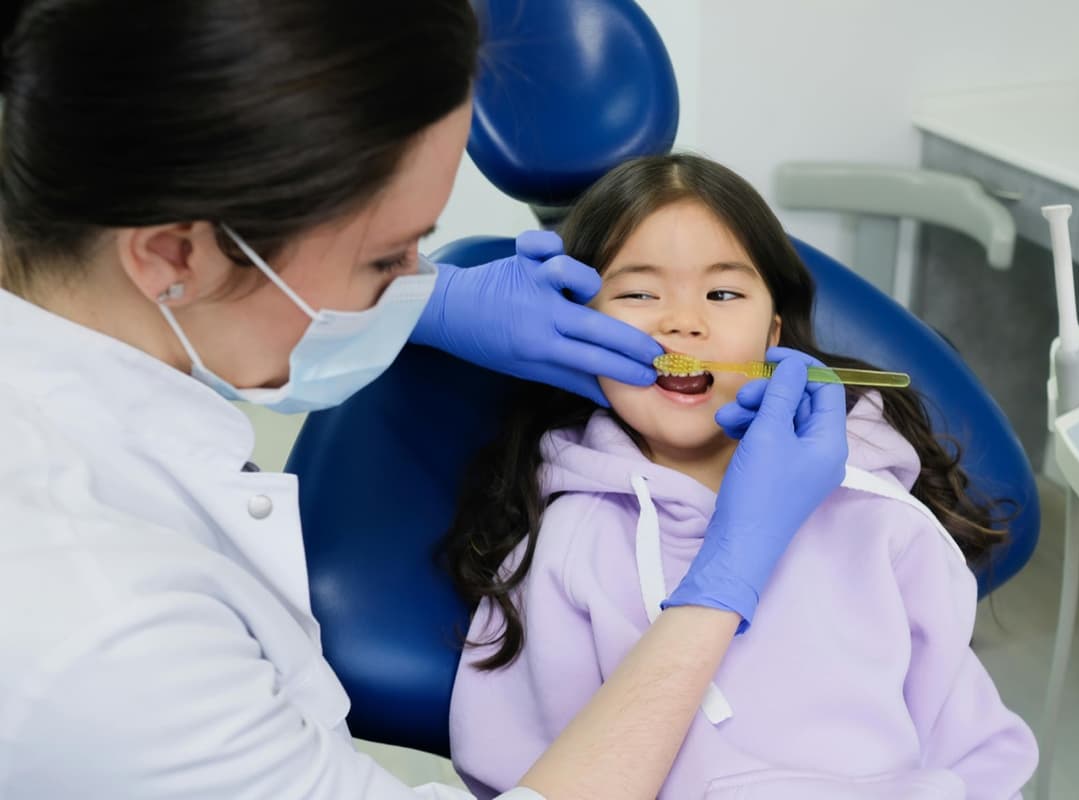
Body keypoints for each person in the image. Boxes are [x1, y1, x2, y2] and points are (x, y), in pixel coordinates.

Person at [0, 3, 853, 798]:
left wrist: (439, 301)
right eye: (388, 260)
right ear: (172, 257)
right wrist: (722, 582)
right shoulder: (103, 628)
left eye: (425, 255)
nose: (416, 285)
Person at [443, 154, 1040, 799]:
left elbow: (979, 755)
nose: (683, 323)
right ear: (577, 331)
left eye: (722, 293)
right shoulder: (564, 547)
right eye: (638, 292)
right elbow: (523, 779)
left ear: (772, 334)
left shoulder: (878, 517)